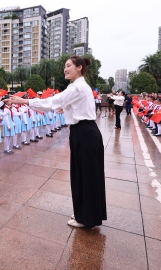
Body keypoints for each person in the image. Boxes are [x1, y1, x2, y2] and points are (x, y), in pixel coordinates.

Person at [11, 56, 106, 229]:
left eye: (68, 65)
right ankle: (85, 213)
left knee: (85, 176)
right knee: (84, 175)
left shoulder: (76, 87)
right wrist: (67, 107)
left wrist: (25, 101)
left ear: (79, 68)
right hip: (84, 132)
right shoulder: (80, 87)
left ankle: (86, 217)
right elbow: (75, 105)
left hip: (84, 134)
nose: (65, 68)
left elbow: (52, 101)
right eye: (65, 66)